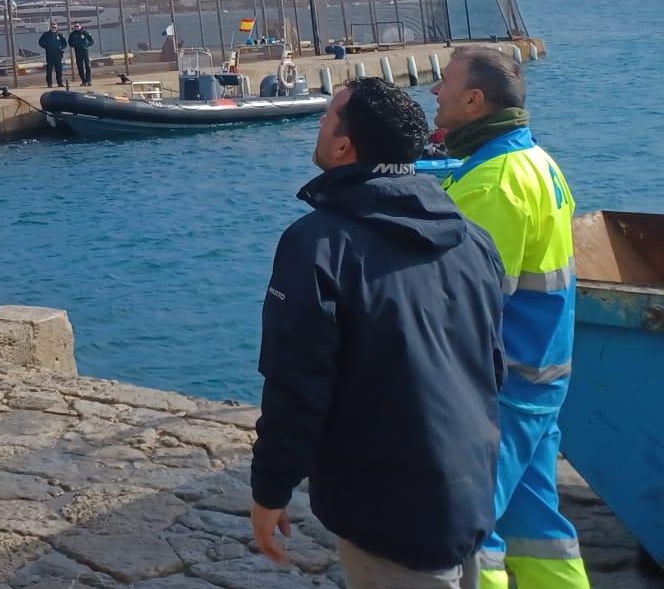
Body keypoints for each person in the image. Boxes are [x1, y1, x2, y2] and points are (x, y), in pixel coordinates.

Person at [252, 78, 504, 586]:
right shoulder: (475, 240)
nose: (320, 126)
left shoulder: (318, 244)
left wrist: (269, 490)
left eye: (326, 118)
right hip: (472, 487)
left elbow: (297, 384)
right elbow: (492, 366)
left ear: (344, 145)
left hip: (388, 506)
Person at [433, 47, 591, 589]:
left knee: (471, 532)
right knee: (537, 525)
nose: (434, 91)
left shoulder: (494, 183)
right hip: (540, 372)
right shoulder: (536, 162)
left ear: (474, 100)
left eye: (444, 82)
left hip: (501, 386)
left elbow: (469, 307)